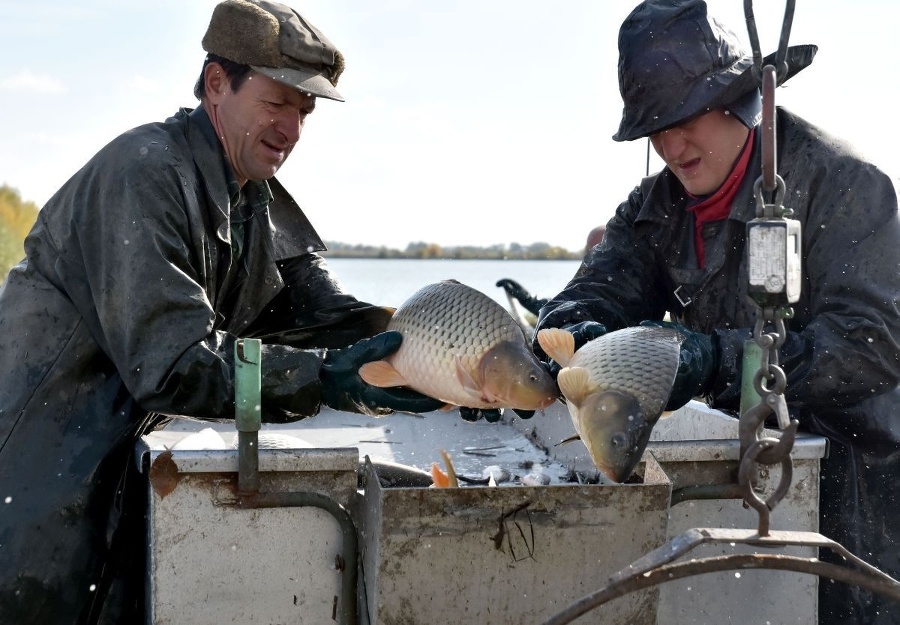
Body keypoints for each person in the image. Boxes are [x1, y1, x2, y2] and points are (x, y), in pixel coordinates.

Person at [0, 1, 513, 622]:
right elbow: (176, 367)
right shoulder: (144, 173)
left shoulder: (254, 196)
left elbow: (331, 314)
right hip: (33, 497)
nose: (292, 129)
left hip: (115, 491)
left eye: (305, 112)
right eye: (277, 103)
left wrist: (467, 365)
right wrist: (322, 378)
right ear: (217, 83)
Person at [532, 1, 900, 624]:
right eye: (655, 125)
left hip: (858, 494)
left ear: (739, 100)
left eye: (684, 116)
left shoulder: (844, 185)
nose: (672, 144)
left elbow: (871, 345)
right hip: (736, 482)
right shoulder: (652, 209)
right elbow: (585, 297)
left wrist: (711, 361)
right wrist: (579, 337)